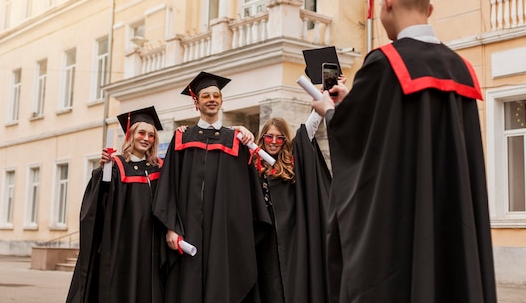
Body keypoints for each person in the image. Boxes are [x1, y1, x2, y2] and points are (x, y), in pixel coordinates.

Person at [311, 0, 497, 303]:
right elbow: (393, 122)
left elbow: (362, 144)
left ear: (387, 1)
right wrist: (354, 99)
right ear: (430, 9)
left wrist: (331, 112)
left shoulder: (385, 63)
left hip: (404, 228)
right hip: (452, 223)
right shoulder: (460, 68)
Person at [152, 71, 272, 303]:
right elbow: (169, 187)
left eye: (216, 95)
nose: (212, 99)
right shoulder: (182, 139)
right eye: (205, 95)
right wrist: (171, 227)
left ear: (222, 100)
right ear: (195, 102)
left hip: (223, 231)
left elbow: (247, 193)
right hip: (188, 229)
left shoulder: (236, 140)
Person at [66, 106, 166, 303]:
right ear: (131, 135)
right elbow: (101, 202)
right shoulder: (116, 166)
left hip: (152, 242)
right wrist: (104, 173)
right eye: (141, 133)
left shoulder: (160, 168)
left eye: (151, 135)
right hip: (123, 241)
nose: (146, 138)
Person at [252, 112, 331, 303]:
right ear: (262, 138)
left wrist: (322, 99)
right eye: (269, 137)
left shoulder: (291, 162)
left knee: (293, 283)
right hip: (263, 238)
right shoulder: (251, 165)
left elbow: (309, 131)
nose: (273, 142)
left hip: (292, 236)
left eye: (279, 138)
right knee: (268, 286)